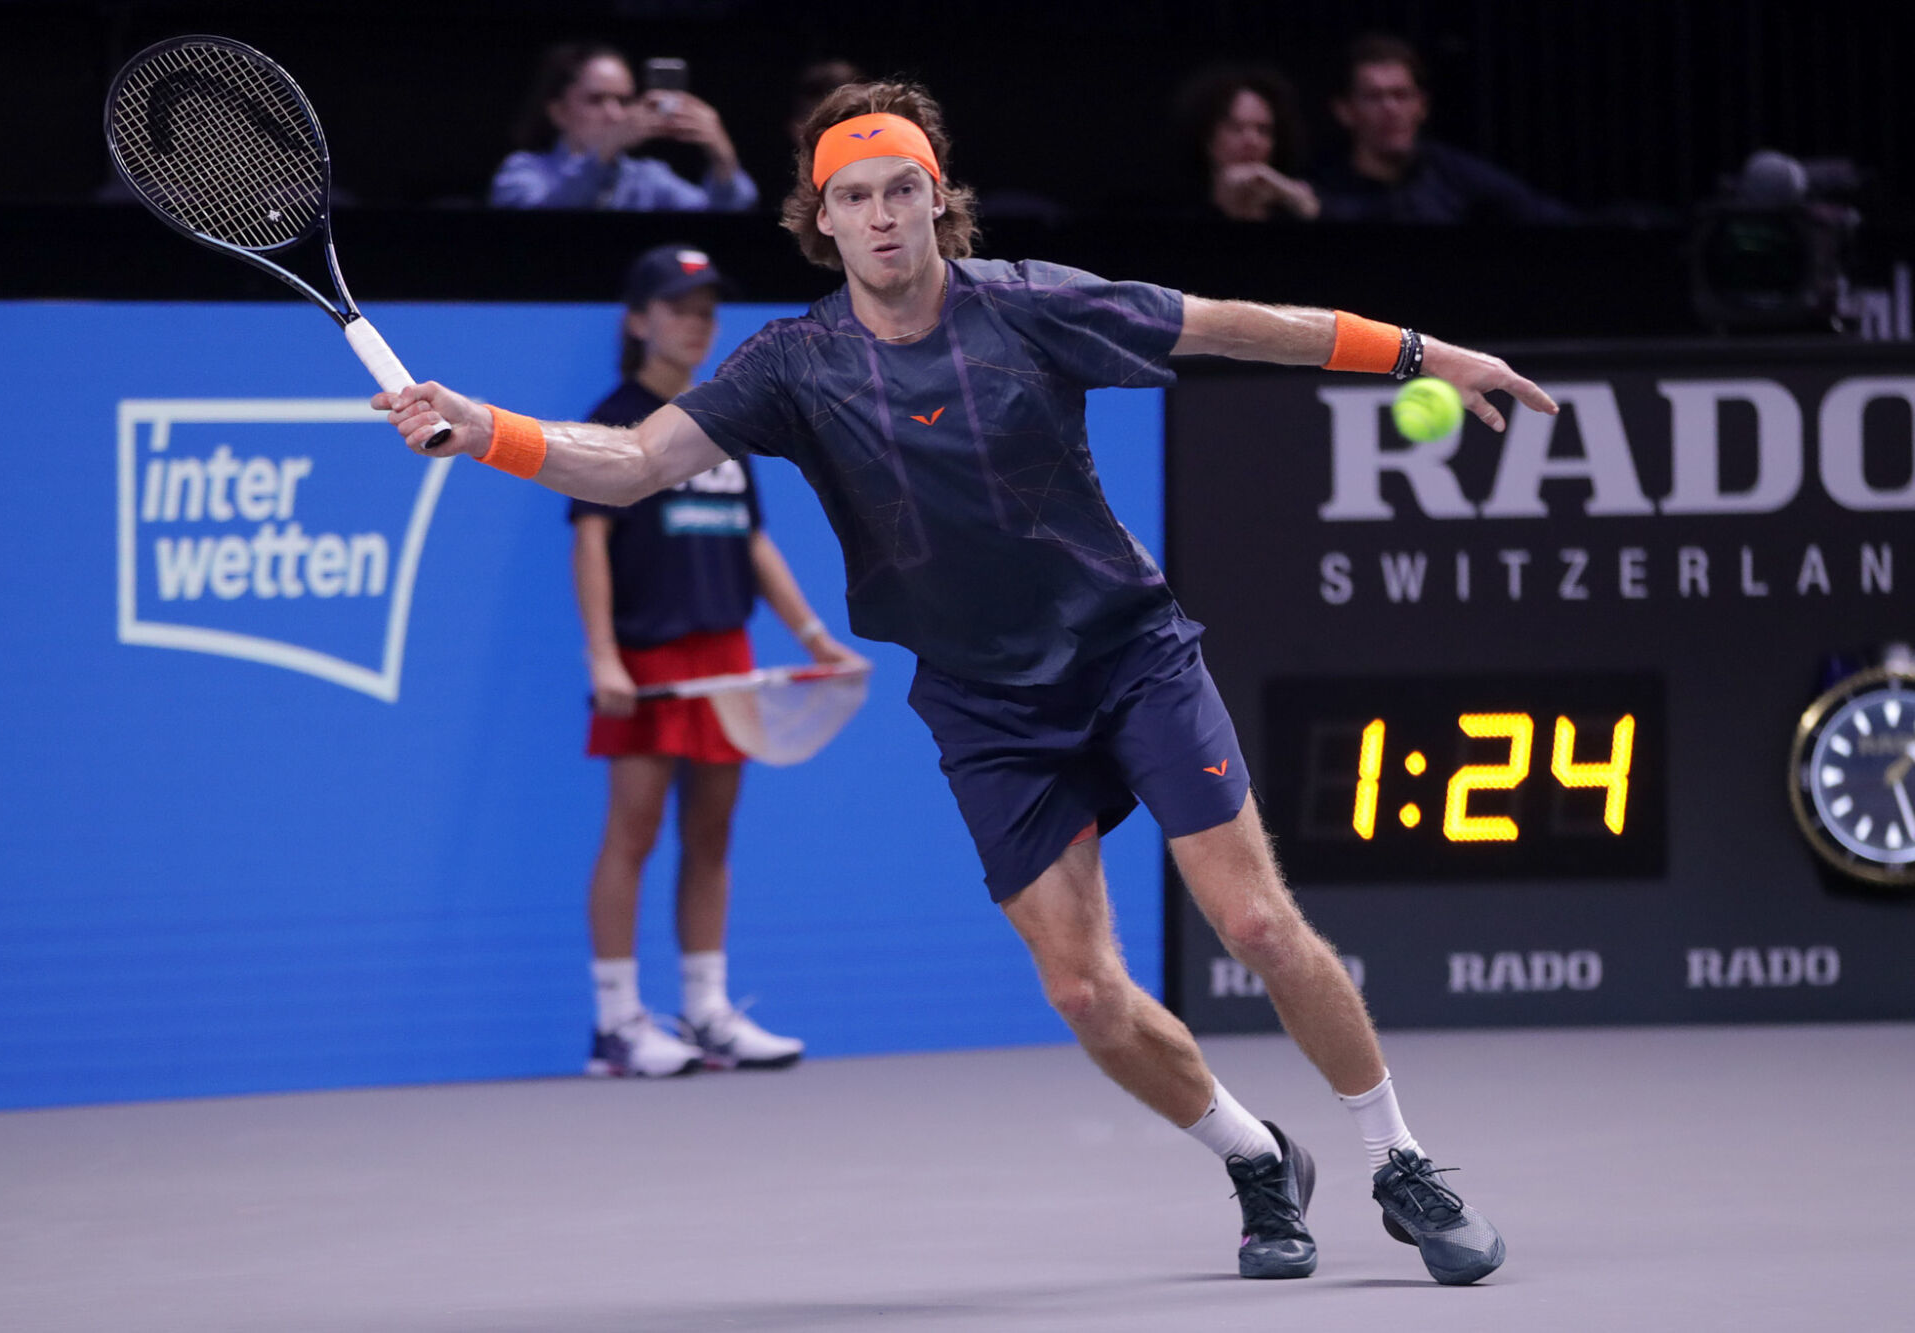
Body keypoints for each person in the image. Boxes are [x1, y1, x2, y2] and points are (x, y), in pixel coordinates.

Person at [378, 79, 1557, 1286]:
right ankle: (1255, 1155)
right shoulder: (792, 365)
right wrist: (484, 430)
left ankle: (1399, 1160)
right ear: (820, 219)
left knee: (1254, 922)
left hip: (1127, 654)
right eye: (854, 197)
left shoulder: (1031, 306)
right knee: (1082, 992)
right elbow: (633, 461)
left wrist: (1423, 353)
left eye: (903, 190)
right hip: (986, 702)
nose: (882, 215)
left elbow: (1232, 325)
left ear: (938, 201)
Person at [571, 244, 860, 1077]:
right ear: (639, 321)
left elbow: (752, 539)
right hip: (647, 658)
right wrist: (604, 657)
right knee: (632, 833)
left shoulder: (717, 421)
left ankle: (705, 1010)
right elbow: (590, 540)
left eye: (706, 310)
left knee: (712, 832)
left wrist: (813, 635)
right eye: (678, 308)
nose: (698, 324)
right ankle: (617, 1025)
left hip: (725, 654)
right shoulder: (612, 420)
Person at [1315, 33, 1574, 224]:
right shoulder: (1321, 188)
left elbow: (1550, 217)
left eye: (1401, 95)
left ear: (1422, 106)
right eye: (1374, 97)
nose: (1391, 109)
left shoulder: (1454, 174)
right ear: (1344, 110)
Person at [490, 44, 758, 212]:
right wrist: (603, 154)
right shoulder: (523, 171)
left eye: (624, 100)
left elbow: (724, 221)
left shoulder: (648, 178)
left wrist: (723, 159)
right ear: (558, 112)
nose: (615, 114)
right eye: (596, 100)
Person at [1177, 63, 1319, 221]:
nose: (1252, 141)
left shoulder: (1293, 212)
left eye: (1263, 130)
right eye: (1235, 128)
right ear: (1208, 139)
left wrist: (1303, 205)